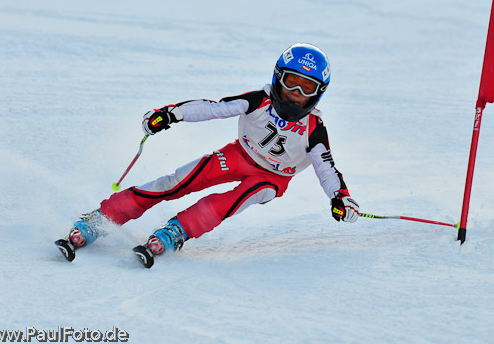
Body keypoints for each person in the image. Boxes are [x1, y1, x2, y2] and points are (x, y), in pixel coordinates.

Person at [55, 43, 360, 267]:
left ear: (318, 93)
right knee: (177, 181)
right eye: (290, 81)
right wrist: (172, 114)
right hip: (239, 154)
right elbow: (213, 108)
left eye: (306, 87)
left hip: (272, 179)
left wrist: (340, 198)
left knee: (230, 201)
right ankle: (102, 218)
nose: (295, 93)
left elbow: (326, 168)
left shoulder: (314, 127)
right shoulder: (258, 100)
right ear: (278, 77)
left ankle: (178, 231)